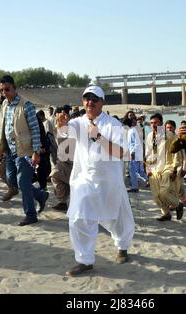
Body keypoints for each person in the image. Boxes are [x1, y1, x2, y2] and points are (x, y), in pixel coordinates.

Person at [58, 86, 134, 276]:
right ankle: (85, 260)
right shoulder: (78, 122)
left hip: (110, 180)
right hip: (85, 179)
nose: (90, 102)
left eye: (94, 99)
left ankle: (122, 247)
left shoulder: (113, 125)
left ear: (102, 102)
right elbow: (65, 131)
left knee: (118, 217)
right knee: (78, 217)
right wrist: (61, 123)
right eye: (86, 98)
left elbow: (121, 152)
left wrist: (98, 137)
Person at [0, 75, 49, 226]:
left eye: (7, 89)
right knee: (12, 179)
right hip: (11, 151)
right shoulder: (5, 104)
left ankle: (31, 215)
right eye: (2, 90)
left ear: (14, 88)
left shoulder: (27, 105)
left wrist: (36, 151)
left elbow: (35, 130)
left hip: (25, 150)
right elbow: (5, 129)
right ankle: (40, 195)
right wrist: (1, 149)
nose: (4, 93)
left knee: (23, 182)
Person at [146, 114, 183, 221]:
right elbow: (148, 154)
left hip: (168, 166)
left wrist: (174, 169)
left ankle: (178, 205)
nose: (153, 125)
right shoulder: (149, 137)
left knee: (164, 192)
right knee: (157, 195)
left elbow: (176, 153)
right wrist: (147, 168)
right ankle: (166, 213)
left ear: (161, 124)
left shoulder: (170, 135)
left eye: (156, 123)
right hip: (154, 169)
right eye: (151, 123)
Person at [51, 106, 75, 212]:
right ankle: (63, 201)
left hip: (73, 162)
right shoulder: (59, 127)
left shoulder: (73, 126)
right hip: (63, 161)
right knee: (55, 176)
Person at [122, 118, 148, 193]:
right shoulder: (131, 131)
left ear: (126, 125)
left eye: (124, 125)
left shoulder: (132, 131)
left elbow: (135, 143)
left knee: (133, 171)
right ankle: (144, 182)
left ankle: (136, 187)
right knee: (138, 170)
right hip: (136, 153)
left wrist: (132, 153)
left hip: (134, 154)